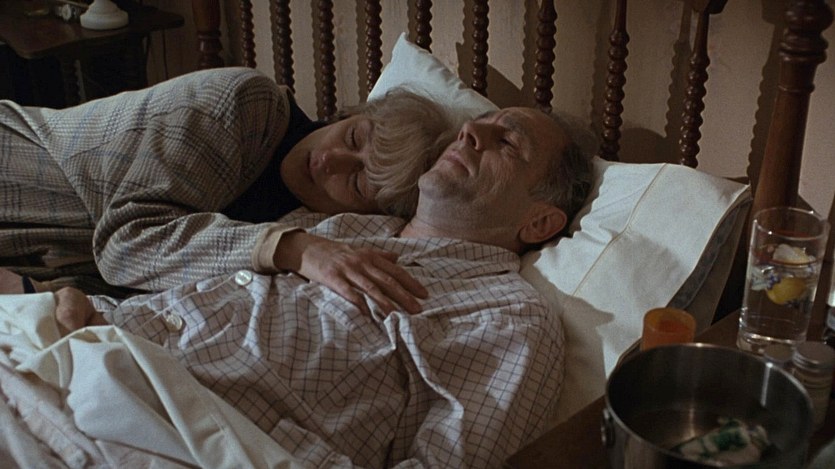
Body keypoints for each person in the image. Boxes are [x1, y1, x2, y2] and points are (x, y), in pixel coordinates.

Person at [15, 106, 594, 467]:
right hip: (75, 345)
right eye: (480, 121)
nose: (471, 130)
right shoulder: (339, 226)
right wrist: (83, 304)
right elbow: (161, 274)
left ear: (539, 222)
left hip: (159, 431)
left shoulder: (508, 318)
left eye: (507, 142)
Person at [0, 67, 453, 311]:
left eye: (354, 181)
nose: (329, 160)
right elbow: (125, 245)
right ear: (347, 114)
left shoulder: (309, 216)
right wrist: (295, 249)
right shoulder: (244, 106)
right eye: (353, 137)